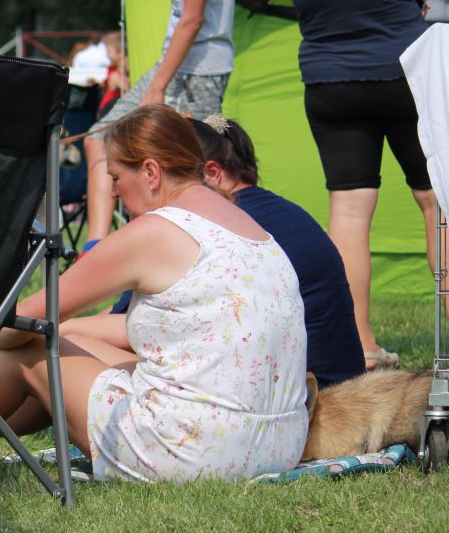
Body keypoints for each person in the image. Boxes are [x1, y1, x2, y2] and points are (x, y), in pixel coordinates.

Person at [0, 105, 308, 482]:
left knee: (33, 351)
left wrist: (10, 336)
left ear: (152, 173)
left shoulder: (155, 232)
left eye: (115, 178)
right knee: (67, 344)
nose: (115, 193)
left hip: (198, 454)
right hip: (277, 443)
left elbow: (18, 319)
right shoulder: (248, 227)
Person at [273, 0, 434, 370]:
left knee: (347, 211)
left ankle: (362, 345)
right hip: (403, 75)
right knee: (435, 201)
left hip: (329, 82)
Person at [65, 115, 365, 389]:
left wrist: (56, 327)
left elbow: (128, 330)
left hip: (300, 400)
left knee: (61, 348)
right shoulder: (275, 214)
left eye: (184, 172)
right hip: (334, 391)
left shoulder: (206, 226)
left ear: (212, 172)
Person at [81, 0, 236, 256]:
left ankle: (207, 251)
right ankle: (96, 248)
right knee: (100, 136)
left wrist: (158, 85)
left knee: (196, 165)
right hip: (174, 64)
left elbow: (194, 18)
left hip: (201, 70)